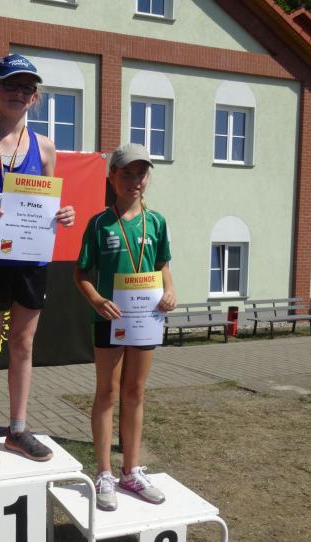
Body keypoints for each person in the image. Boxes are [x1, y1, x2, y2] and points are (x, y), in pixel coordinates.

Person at [0, 54, 76, 469]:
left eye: (26, 88)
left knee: (23, 344)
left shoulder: (45, 147)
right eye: (10, 85)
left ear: (34, 98)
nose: (18, 94)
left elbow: (48, 204)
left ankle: (18, 430)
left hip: (30, 260)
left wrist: (63, 214)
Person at [73, 143, 176, 510]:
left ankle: (131, 470)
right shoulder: (99, 223)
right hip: (111, 319)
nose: (135, 180)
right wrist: (96, 300)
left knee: (135, 393)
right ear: (112, 177)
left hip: (146, 318)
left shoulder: (157, 221)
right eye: (127, 173)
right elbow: (81, 273)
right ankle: (103, 473)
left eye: (141, 174)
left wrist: (170, 290)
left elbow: (162, 265)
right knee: (107, 393)